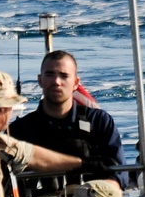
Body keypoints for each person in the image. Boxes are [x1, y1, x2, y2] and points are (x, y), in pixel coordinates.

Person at [11, 50, 125, 186]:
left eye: (64, 76)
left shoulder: (99, 122)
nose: (56, 82)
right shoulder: (19, 131)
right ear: (40, 80)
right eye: (49, 74)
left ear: (76, 83)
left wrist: (98, 193)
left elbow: (119, 175)